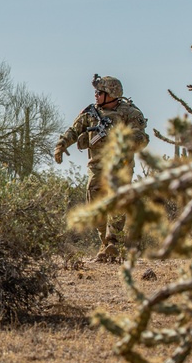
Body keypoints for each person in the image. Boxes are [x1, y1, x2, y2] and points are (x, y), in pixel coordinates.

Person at [53, 74, 149, 262]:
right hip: (97, 167)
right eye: (96, 92)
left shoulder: (130, 113)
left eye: (100, 92)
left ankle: (113, 241)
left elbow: (142, 139)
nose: (96, 95)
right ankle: (104, 241)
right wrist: (61, 145)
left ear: (111, 93)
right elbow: (74, 131)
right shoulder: (90, 114)